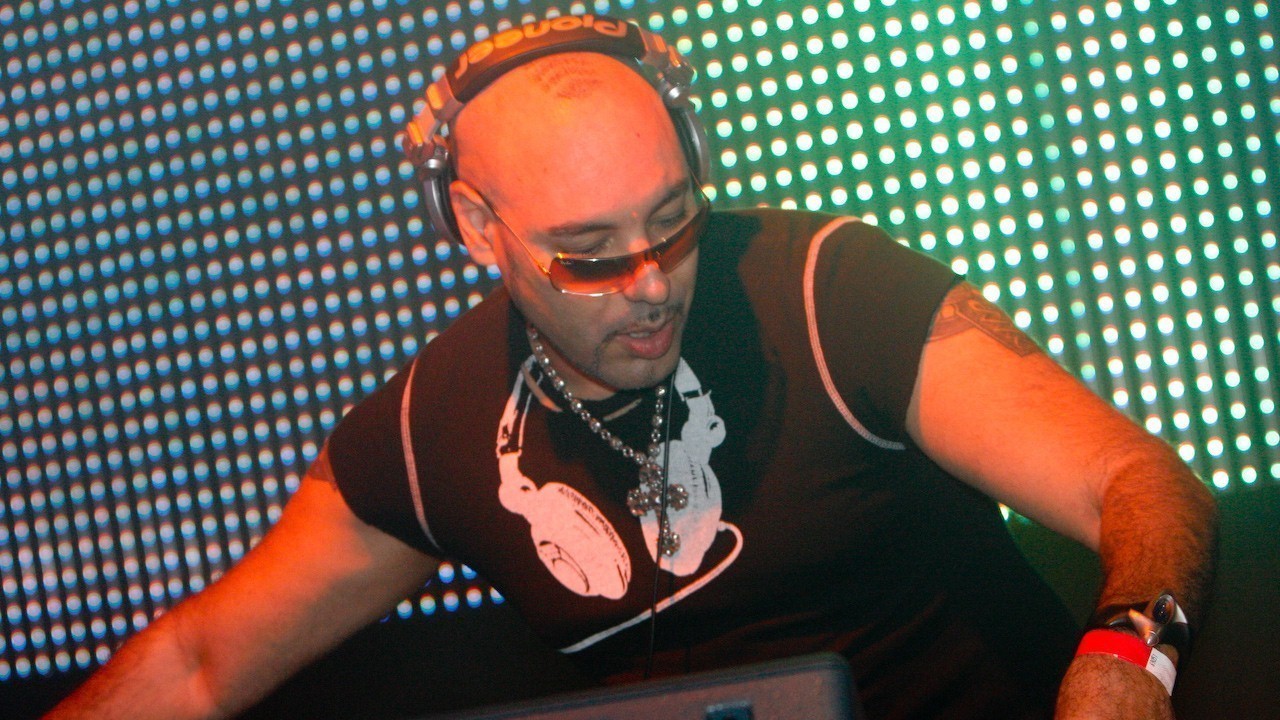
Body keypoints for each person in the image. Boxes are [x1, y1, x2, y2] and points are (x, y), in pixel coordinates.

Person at [47, 15, 1216, 720]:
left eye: (672, 220)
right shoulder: (431, 428)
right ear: (476, 228)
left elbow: (1132, 479)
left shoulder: (827, 292)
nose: (651, 282)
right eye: (589, 255)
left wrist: (1125, 661)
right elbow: (197, 665)